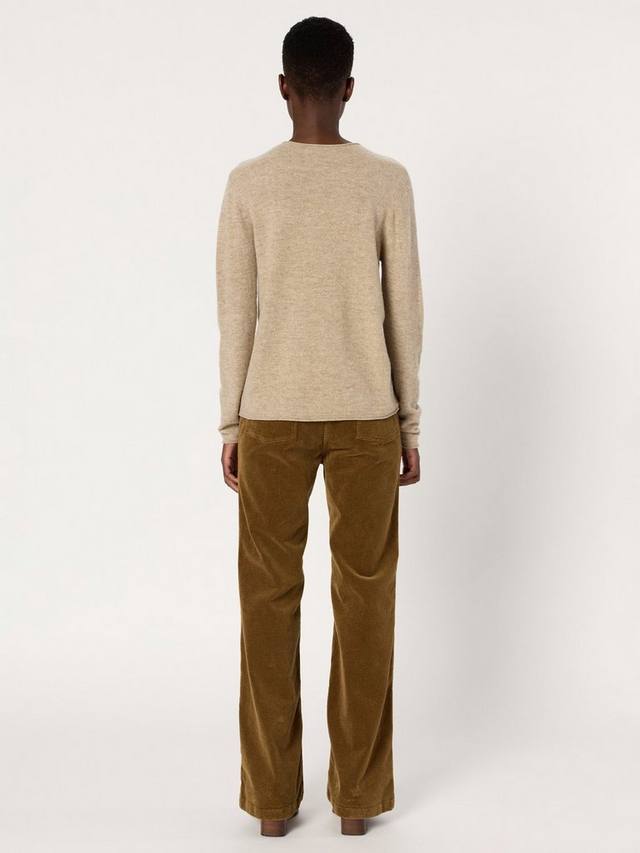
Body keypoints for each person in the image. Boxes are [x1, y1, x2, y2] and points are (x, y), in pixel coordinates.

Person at [215, 16, 424, 838]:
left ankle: (272, 806)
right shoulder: (385, 181)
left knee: (267, 604)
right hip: (368, 415)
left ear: (282, 86)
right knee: (366, 602)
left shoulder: (249, 183)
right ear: (348, 87)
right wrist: (409, 422)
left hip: (270, 415)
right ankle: (358, 802)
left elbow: (235, 314)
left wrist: (230, 421)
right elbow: (404, 309)